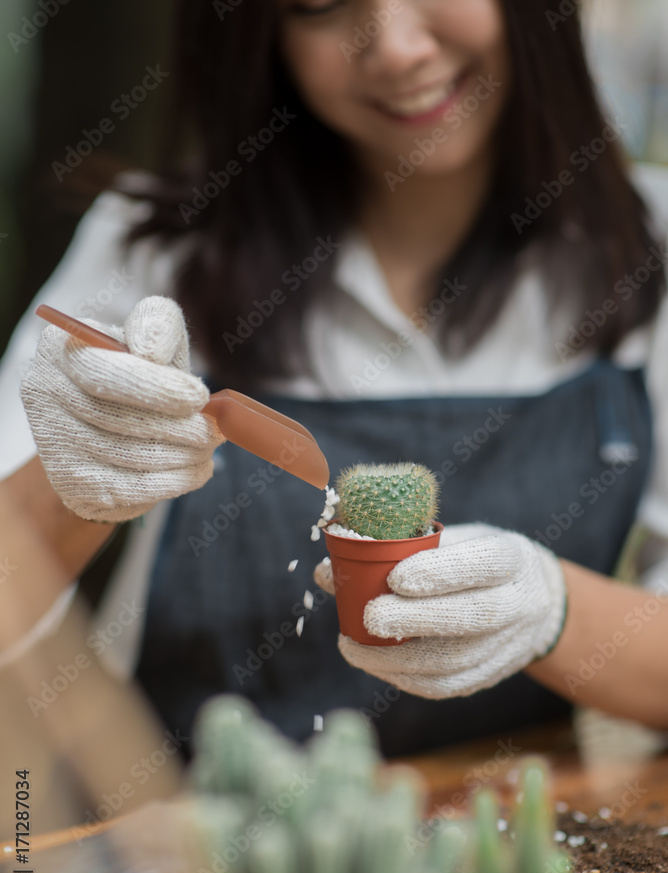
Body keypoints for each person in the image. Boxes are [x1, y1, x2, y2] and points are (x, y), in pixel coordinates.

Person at [1, 0, 668, 757]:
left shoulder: (651, 248)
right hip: (184, 848)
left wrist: (554, 610)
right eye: (318, 4)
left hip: (501, 851)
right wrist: (70, 485)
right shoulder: (152, 255)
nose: (396, 48)